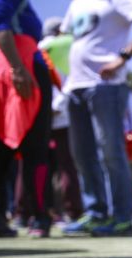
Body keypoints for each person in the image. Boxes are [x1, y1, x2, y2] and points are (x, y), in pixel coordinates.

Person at [61, 0, 132, 237]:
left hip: (106, 87)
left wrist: (122, 57)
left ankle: (123, 217)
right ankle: (96, 214)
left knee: (111, 152)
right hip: (75, 87)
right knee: (82, 154)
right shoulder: (76, 4)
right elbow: (66, 38)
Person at [0, 0, 53, 238]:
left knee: (3, 152)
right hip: (21, 70)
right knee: (35, 150)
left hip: (8, 69)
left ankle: (5, 218)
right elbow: (0, 25)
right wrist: (18, 69)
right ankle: (39, 218)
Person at [39, 16, 83, 224]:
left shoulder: (36, 46)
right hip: (63, 113)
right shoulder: (68, 44)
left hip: (38, 114)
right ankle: (72, 211)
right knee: (67, 165)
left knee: (36, 164)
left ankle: (33, 211)